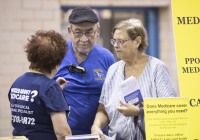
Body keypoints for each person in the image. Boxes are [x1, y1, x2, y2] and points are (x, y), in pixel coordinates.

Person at [91, 18, 177, 140]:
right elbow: (103, 108)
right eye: (114, 41)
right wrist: (96, 126)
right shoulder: (113, 70)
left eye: (121, 41)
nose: (116, 45)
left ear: (137, 41)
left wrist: (139, 112)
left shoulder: (157, 68)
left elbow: (171, 109)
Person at [53, 7, 115, 135]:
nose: (84, 39)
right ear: (69, 31)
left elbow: (111, 99)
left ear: (97, 31)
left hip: (98, 133)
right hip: (63, 134)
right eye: (78, 32)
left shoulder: (107, 58)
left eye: (89, 32)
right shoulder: (56, 54)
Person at [8, 30, 72, 140]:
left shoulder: (17, 82)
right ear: (57, 61)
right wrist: (53, 92)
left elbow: (34, 107)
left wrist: (54, 92)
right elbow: (63, 133)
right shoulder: (50, 88)